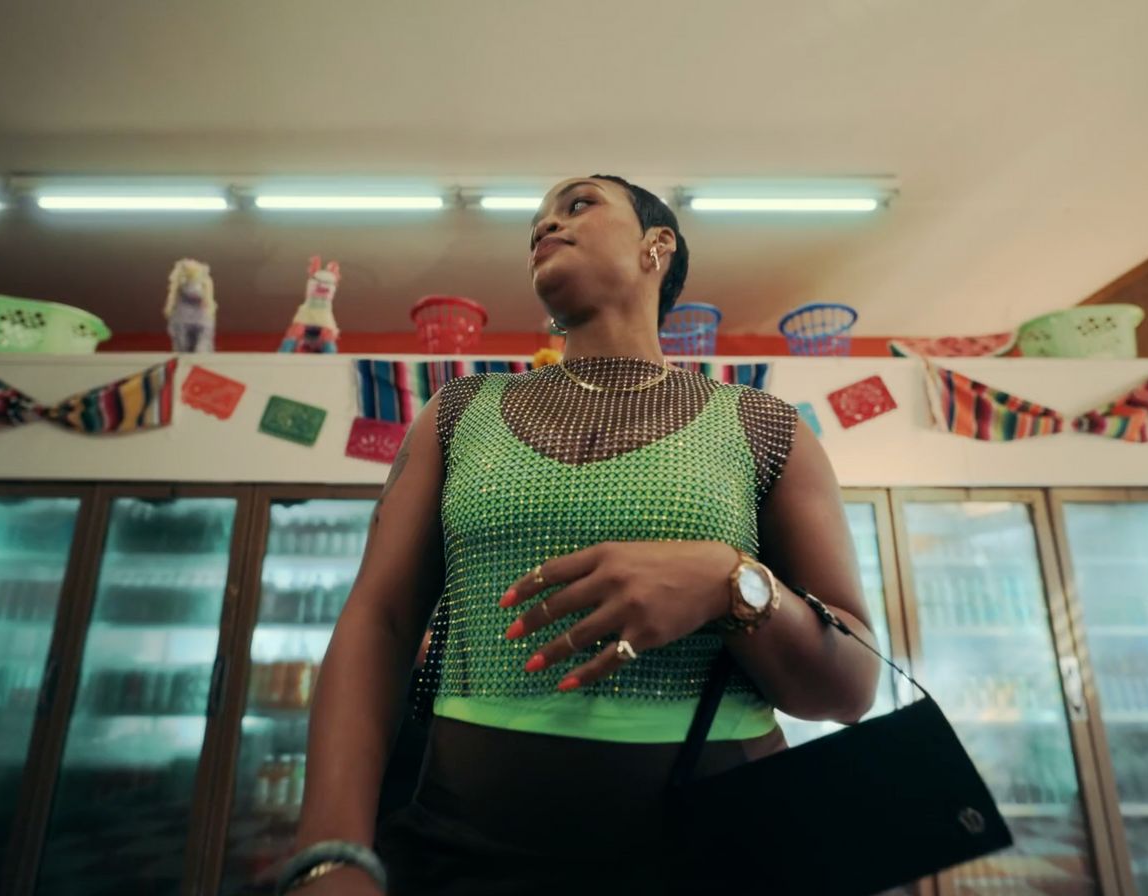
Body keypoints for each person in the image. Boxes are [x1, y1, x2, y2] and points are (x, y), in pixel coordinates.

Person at [280, 176, 881, 895]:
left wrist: (728, 582)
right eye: (536, 222)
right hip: (465, 851)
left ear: (657, 246)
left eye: (578, 206)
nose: (546, 226)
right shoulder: (458, 411)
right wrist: (331, 851)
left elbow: (851, 687)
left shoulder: (764, 424)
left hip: (725, 854)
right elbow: (378, 622)